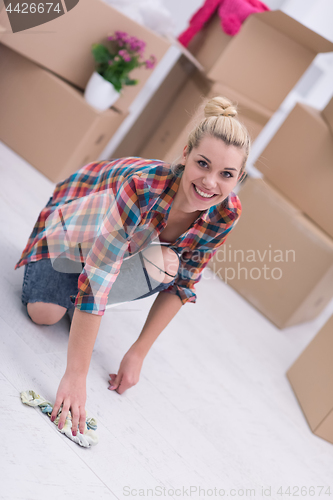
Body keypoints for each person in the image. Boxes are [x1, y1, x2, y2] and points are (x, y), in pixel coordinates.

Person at [15, 96, 250, 438]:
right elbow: (99, 277)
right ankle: (72, 304)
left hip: (111, 252)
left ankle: (79, 309)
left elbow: (184, 284)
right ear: (185, 155)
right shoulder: (143, 186)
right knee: (44, 315)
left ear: (238, 177)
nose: (210, 183)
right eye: (203, 164)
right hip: (70, 236)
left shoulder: (226, 212)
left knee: (169, 265)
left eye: (226, 174)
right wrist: (76, 375)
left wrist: (138, 352)